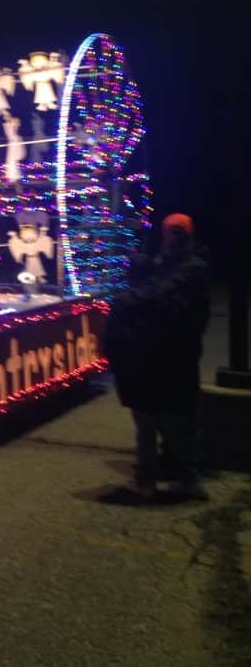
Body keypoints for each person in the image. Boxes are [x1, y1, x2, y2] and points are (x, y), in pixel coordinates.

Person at [105, 213, 211, 502]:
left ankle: (172, 477)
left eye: (180, 231)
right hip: (157, 352)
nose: (174, 236)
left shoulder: (193, 265)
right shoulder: (167, 260)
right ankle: (165, 474)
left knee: (169, 418)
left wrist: (129, 299)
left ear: (188, 233)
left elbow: (164, 289)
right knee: (152, 417)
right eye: (170, 231)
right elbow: (155, 284)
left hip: (177, 352)